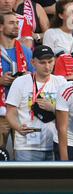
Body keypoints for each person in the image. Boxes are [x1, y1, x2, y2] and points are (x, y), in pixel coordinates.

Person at [5, 45, 66, 161]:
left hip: (53, 143)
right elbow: (10, 111)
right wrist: (18, 127)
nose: (47, 66)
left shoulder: (61, 82)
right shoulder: (20, 82)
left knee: (52, 180)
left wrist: (53, 108)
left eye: (50, 61)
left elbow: (68, 112)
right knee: (26, 179)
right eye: (42, 63)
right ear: (33, 62)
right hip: (26, 146)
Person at [0, 12, 34, 150]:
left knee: (23, 155)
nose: (16, 26)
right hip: (0, 114)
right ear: (1, 27)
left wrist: (25, 78)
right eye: (11, 23)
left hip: (21, 112)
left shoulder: (26, 51)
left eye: (16, 23)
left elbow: (36, 79)